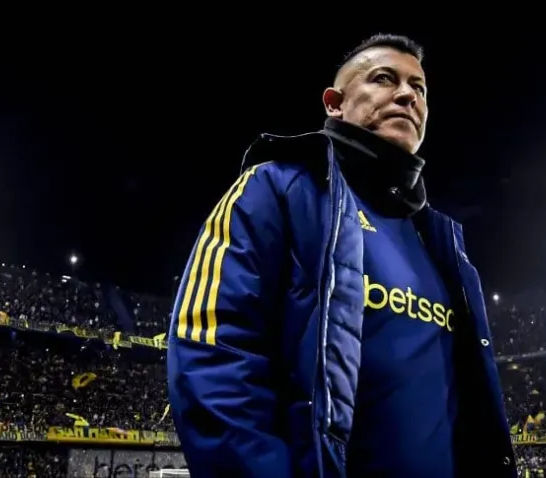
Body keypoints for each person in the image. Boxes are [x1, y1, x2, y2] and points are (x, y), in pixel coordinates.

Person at [167, 33, 516, 478]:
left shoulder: (443, 244)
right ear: (334, 103)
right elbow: (212, 353)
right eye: (384, 79)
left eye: (420, 88)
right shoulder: (275, 189)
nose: (408, 95)